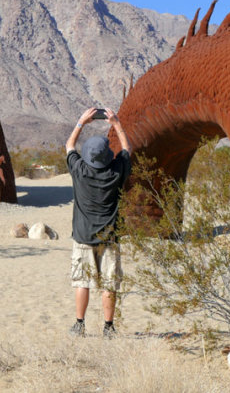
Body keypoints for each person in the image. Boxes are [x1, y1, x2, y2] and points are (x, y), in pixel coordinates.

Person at [65, 107, 132, 338]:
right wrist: (116, 123)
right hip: (110, 237)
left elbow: (69, 147)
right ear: (106, 156)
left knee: (82, 282)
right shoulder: (115, 172)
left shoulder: (80, 171)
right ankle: (108, 327)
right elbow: (126, 150)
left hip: (83, 237)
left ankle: (79, 324)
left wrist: (80, 122)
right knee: (109, 284)